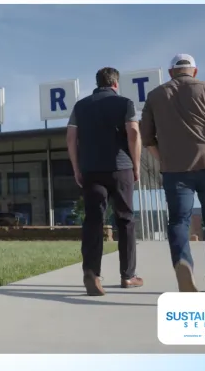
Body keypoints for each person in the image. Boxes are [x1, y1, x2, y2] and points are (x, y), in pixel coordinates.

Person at [140, 54, 205, 292]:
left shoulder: (155, 95)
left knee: (178, 221)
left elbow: (147, 139)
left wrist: (164, 159)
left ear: (170, 73)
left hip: (174, 170)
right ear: (194, 71)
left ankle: (183, 262)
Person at [67, 67, 144, 296]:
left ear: (97, 83)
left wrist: (76, 167)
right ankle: (128, 276)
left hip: (91, 170)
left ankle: (92, 273)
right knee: (126, 220)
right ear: (115, 84)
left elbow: (71, 138)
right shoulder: (125, 103)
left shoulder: (80, 106)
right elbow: (134, 133)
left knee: (93, 221)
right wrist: (136, 165)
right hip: (121, 168)